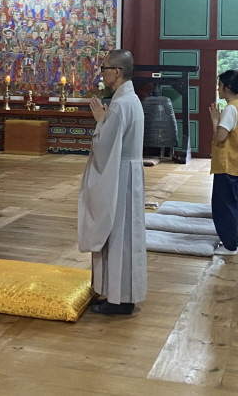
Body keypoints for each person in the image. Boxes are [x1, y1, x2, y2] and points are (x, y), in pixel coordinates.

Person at [78, 49, 147, 315]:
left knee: (118, 235)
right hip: (129, 174)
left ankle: (120, 300)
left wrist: (100, 123)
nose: (102, 72)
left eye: (104, 68)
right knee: (126, 236)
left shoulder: (119, 105)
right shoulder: (131, 100)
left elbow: (105, 148)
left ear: (117, 72)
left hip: (119, 175)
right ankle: (120, 294)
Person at [209, 70, 238, 256]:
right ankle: (231, 241)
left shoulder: (230, 109)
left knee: (224, 206)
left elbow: (220, 135)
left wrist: (215, 120)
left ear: (227, 88)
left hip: (227, 164)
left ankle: (230, 245)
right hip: (236, 163)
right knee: (231, 203)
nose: (218, 89)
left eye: (220, 85)